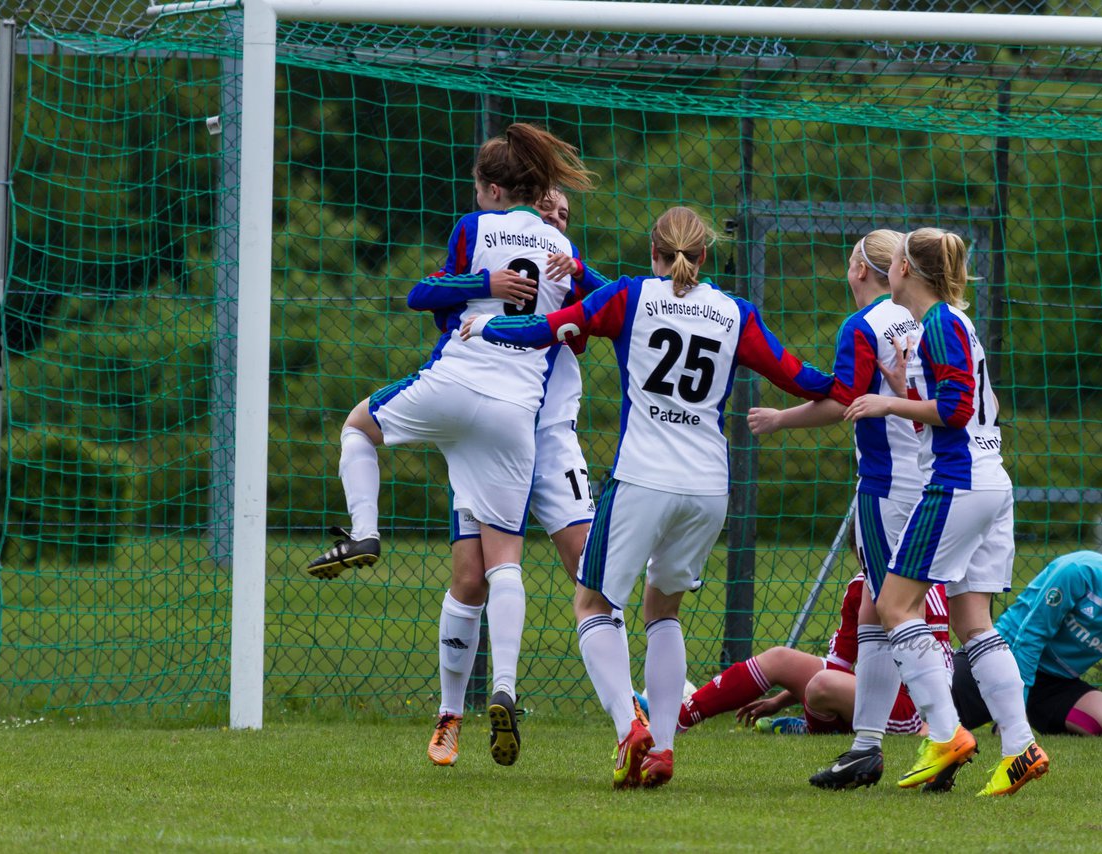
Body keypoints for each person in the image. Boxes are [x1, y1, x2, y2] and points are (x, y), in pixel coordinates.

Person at [461, 206, 847, 789]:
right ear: (707, 257)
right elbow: (803, 378)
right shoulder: (734, 313)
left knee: (593, 605)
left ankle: (628, 728)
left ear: (654, 254)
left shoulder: (628, 297)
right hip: (709, 487)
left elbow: (545, 328)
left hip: (643, 478)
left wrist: (483, 328)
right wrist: (857, 381)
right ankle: (663, 749)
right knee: (662, 611)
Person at [305, 123, 595, 768]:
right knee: (497, 566)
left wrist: (483, 286)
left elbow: (420, 294)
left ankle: (365, 532)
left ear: (493, 188)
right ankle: (498, 695)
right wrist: (567, 271)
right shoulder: (560, 253)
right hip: (513, 419)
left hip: (461, 391)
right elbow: (607, 303)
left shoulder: (476, 227)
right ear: (537, 191)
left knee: (359, 427)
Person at [404, 188, 631, 766]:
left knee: (594, 571)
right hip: (492, 427)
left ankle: (631, 715)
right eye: (549, 211)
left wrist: (580, 269)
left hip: (551, 439)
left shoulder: (570, 275)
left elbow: (624, 304)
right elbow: (429, 294)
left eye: (565, 219)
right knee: (471, 577)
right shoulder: (492, 261)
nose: (556, 222)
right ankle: (451, 714)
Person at [844, 226, 1048, 796]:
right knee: (973, 621)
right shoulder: (955, 323)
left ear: (905, 271)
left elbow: (957, 410)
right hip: (991, 479)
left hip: (958, 482)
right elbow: (979, 405)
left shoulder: (937, 325)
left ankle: (946, 734)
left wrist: (887, 400)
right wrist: (901, 390)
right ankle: (1019, 747)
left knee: (892, 606)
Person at [741, 229, 943, 790]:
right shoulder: (923, 319)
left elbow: (842, 401)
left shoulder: (864, 326)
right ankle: (866, 748)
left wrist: (780, 418)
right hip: (932, 480)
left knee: (894, 613)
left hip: (887, 487)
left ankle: (942, 732)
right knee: (878, 612)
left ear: (859, 270)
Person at [678, 568, 950, 738]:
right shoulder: (861, 584)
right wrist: (782, 699)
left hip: (911, 710)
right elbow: (838, 665)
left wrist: (933, 718)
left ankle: (816, 727)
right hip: (874, 691)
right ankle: (679, 718)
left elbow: (942, 664)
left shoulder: (927, 585)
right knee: (780, 659)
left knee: (820, 686)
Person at [952, 551, 1102, 739]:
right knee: (935, 714)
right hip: (1005, 659)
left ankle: (1027, 715)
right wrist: (1016, 715)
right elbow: (1030, 639)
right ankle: (1008, 714)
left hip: (1055, 682)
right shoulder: (1078, 572)